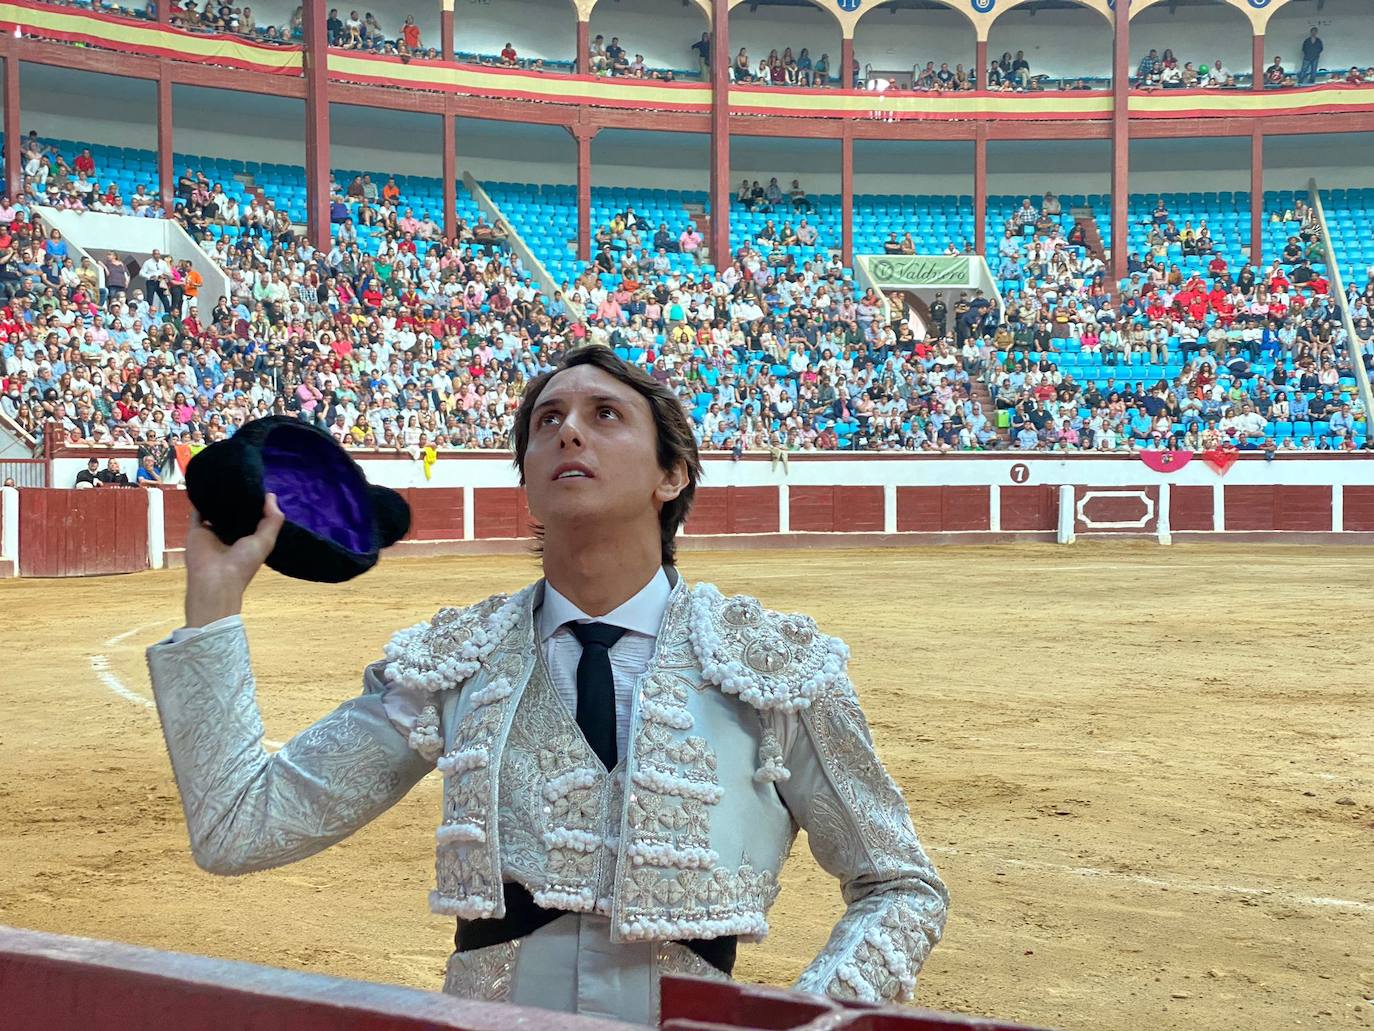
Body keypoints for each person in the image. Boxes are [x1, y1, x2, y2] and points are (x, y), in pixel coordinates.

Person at [144, 347, 947, 1023]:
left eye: (605, 414)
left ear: (672, 474)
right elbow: (239, 826)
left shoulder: (772, 665)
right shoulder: (451, 661)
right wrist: (213, 602)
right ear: (527, 480)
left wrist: (813, 1015)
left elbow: (899, 885)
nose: (568, 428)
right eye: (546, 421)